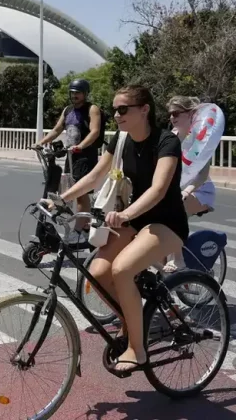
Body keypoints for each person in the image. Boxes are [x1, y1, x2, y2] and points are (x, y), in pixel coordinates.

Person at [44, 85, 188, 373]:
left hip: (166, 223)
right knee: (97, 274)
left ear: (144, 109)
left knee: (122, 270)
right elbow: (97, 175)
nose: (116, 115)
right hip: (134, 221)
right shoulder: (121, 139)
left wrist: (124, 214)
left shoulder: (166, 142)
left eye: (123, 109)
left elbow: (159, 190)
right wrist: (63, 198)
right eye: (114, 110)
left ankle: (138, 350)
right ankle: (132, 321)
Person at [36, 78, 105, 237]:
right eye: (72, 93)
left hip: (85, 156)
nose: (74, 96)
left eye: (78, 93)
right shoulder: (68, 110)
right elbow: (57, 130)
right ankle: (85, 227)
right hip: (70, 156)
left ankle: (79, 231)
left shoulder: (92, 109)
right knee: (70, 192)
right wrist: (41, 142)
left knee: (81, 194)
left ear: (85, 94)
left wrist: (81, 146)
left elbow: (95, 131)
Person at [162, 95, 216, 273]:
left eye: (176, 113)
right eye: (170, 114)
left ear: (190, 114)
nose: (172, 117)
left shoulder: (200, 139)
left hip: (200, 190)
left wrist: (186, 191)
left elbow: (202, 175)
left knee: (174, 212)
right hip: (177, 189)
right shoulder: (171, 137)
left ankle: (178, 259)